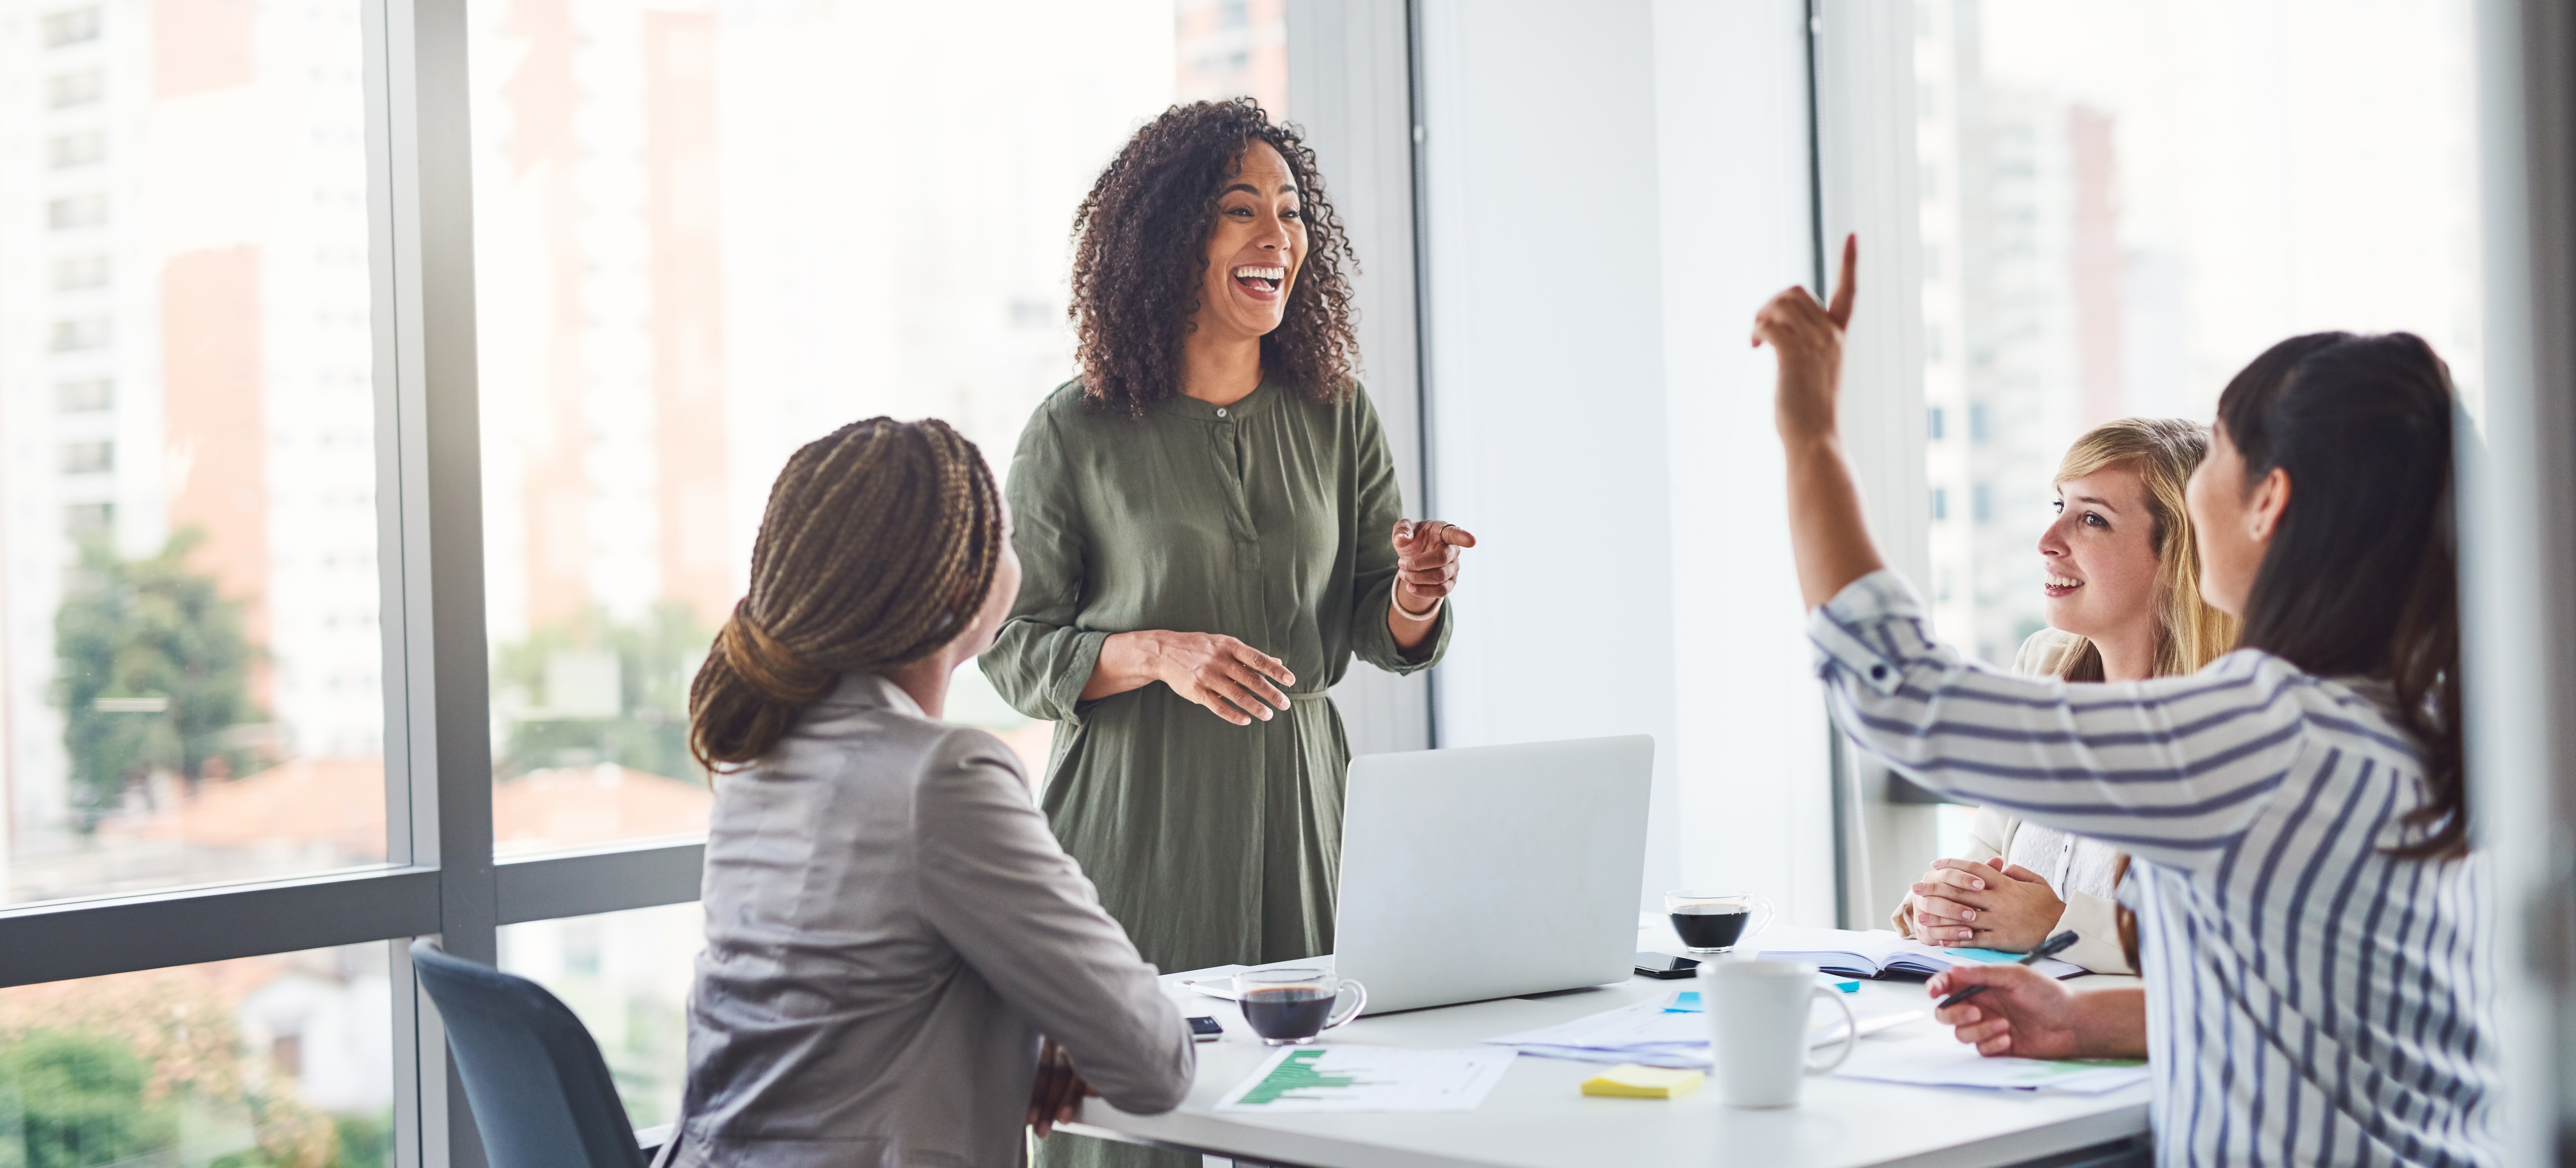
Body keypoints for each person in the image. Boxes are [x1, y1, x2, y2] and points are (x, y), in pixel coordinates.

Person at [1755, 239, 2492, 1165]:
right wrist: (2079, 1019)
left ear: (2270, 501)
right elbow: (2315, 992)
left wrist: (1810, 432)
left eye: (2216, 449)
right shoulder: (2419, 715)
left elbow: (1901, 695)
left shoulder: (2263, 731)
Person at [981, 98, 1471, 1168]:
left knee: (1317, 1122)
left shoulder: (1338, 412)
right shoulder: (1077, 428)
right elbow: (1012, 648)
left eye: (1289, 212)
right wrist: (1157, 651)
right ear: (1169, 241)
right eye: (1239, 209)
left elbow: (1375, 626)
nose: (1276, 236)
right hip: (1135, 837)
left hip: (1307, 821)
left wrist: (1419, 592)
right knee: (1127, 1132)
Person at [663, 418, 1191, 1167]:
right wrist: (1072, 1029)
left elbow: (850, 1018)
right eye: (1004, 537)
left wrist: (1030, 1034)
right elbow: (1155, 1061)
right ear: (962, 587)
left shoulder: (756, 755)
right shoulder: (940, 779)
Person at [1895, 417, 2239, 975]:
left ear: (2179, 558)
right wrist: (1944, 903)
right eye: (2060, 507)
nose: (2048, 543)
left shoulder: (2234, 722)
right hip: (2017, 1034)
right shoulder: (2043, 668)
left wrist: (2061, 927)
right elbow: (1983, 869)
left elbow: (2236, 953)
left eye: (2093, 520)